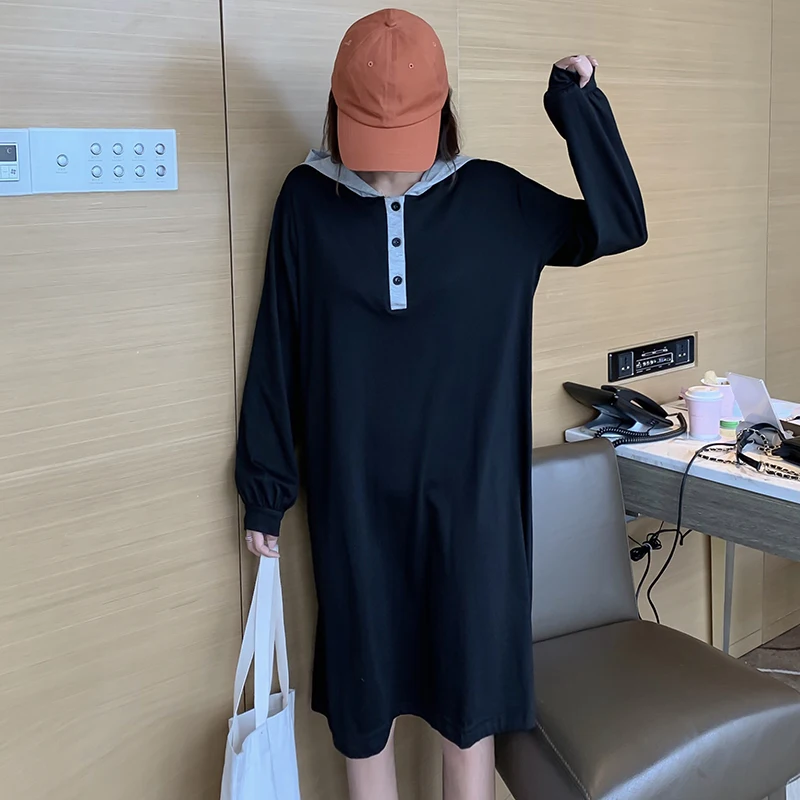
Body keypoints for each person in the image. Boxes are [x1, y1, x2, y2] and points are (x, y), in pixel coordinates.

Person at [235, 7, 646, 800]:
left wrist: (578, 108)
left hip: (475, 511)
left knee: (470, 717)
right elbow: (278, 345)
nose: (387, 167)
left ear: (441, 111)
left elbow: (619, 225)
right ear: (337, 110)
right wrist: (266, 488)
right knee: (365, 712)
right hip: (355, 506)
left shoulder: (497, 200)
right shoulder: (307, 203)